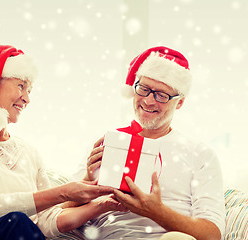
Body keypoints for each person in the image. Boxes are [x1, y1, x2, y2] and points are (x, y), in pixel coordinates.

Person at [0, 44, 126, 240]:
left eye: (30, 90)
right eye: (21, 86)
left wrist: (103, 205)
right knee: (15, 222)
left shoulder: (29, 152)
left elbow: (44, 221)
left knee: (24, 224)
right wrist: (64, 193)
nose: (26, 99)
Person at [80, 46, 225, 240]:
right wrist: (87, 181)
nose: (148, 101)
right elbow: (60, 212)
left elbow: (212, 234)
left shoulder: (199, 153)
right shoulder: (107, 143)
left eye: (162, 95)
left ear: (179, 102)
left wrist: (155, 211)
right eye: (144, 89)